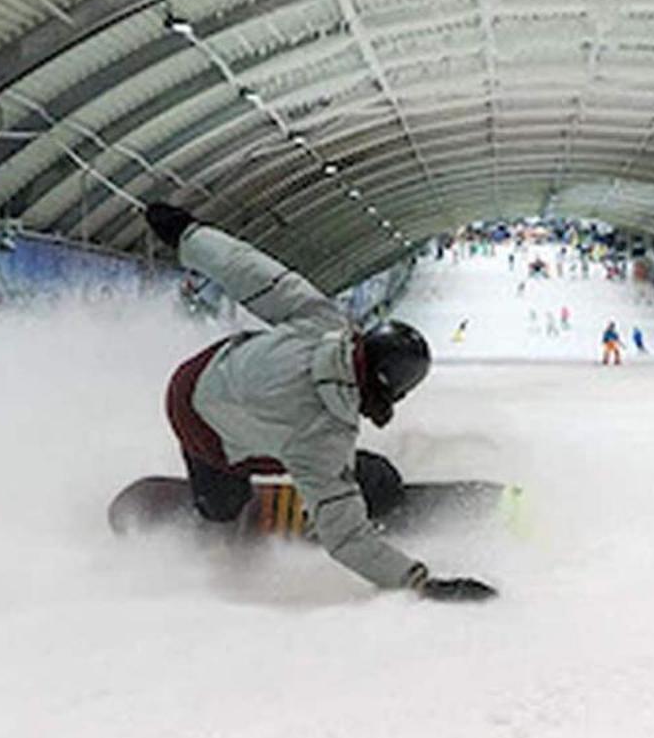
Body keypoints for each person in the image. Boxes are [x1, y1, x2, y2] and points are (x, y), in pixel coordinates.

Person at [143, 202, 494, 602]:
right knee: (370, 479)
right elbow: (345, 539)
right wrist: (418, 582)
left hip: (197, 377)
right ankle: (226, 503)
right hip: (208, 436)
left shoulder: (323, 321)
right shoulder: (324, 440)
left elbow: (253, 273)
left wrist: (187, 235)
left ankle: (217, 502)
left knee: (231, 493)